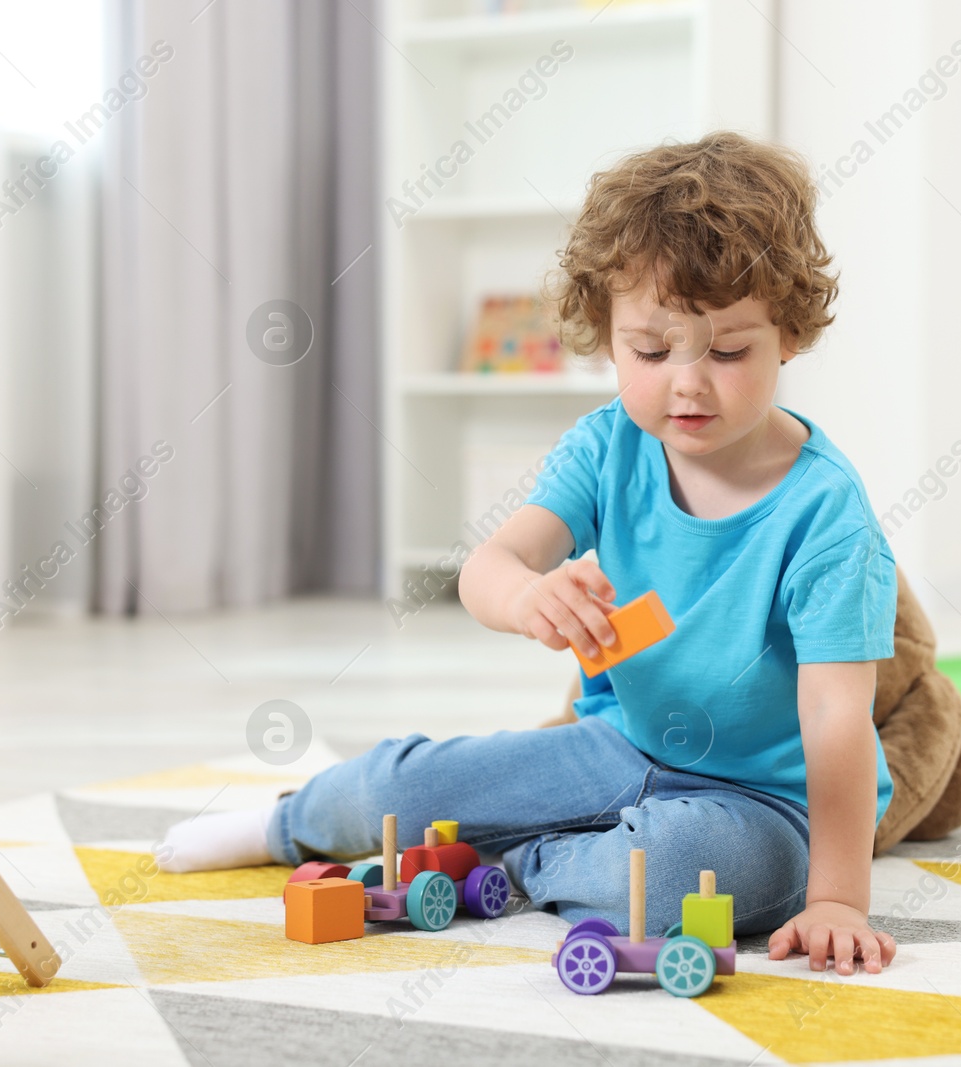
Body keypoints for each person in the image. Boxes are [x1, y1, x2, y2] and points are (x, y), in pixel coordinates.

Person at [158, 131, 900, 975]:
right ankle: (285, 824)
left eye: (729, 351)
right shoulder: (606, 447)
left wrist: (838, 894)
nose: (688, 382)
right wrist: (526, 597)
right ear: (607, 334)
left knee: (663, 889)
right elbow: (490, 564)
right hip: (618, 745)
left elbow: (839, 719)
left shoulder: (827, 515)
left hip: (766, 804)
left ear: (790, 336)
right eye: (651, 350)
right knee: (407, 792)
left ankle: (511, 864)